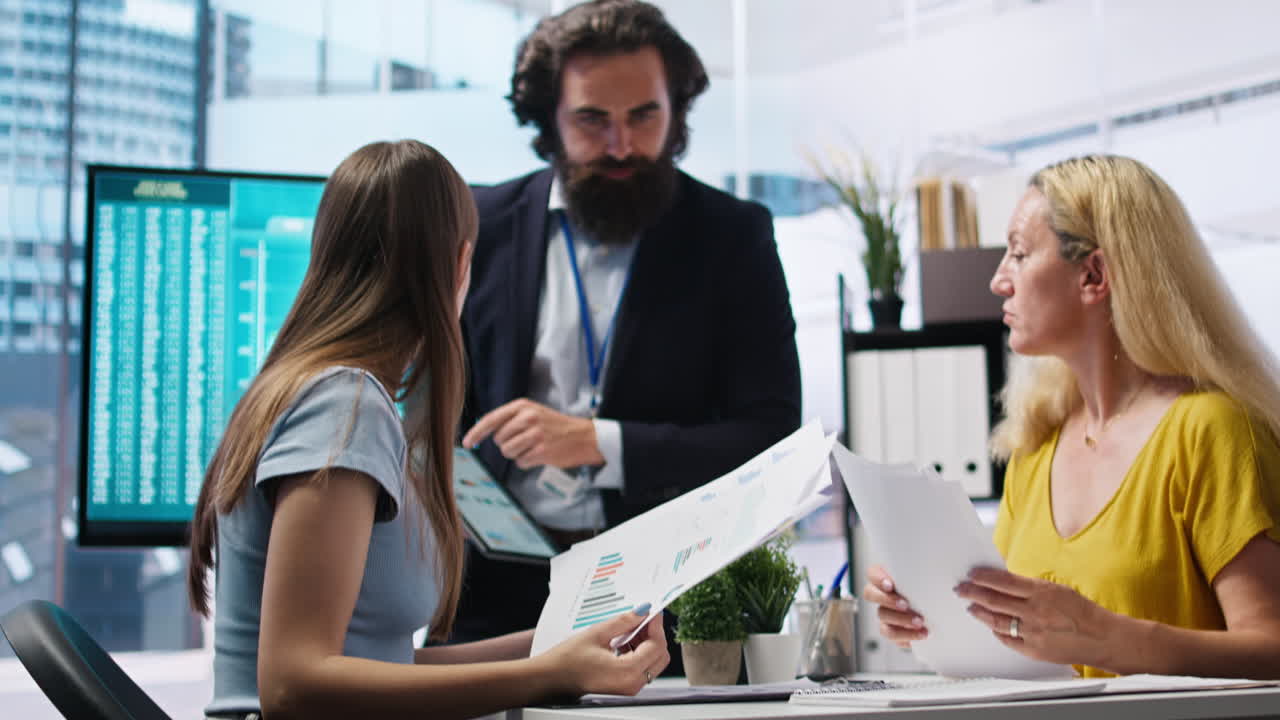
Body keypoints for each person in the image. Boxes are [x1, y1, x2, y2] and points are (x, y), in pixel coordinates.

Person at [187, 139, 668, 720]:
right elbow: (294, 685)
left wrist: (560, 648)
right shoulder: (345, 405)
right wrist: (547, 674)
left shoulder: (317, 390)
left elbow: (381, 666)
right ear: (461, 265)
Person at [454, 0, 802, 648]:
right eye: (592, 120)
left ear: (677, 111)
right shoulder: (479, 226)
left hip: (672, 609)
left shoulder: (733, 237)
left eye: (644, 116)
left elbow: (772, 436)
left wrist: (602, 444)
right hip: (494, 598)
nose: (621, 145)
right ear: (549, 118)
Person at [863, 154, 1280, 679]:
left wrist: (1105, 637)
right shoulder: (1035, 446)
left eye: (1018, 254)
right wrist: (930, 613)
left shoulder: (1213, 431)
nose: (998, 281)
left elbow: (1272, 650)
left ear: (1093, 275)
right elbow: (1013, 643)